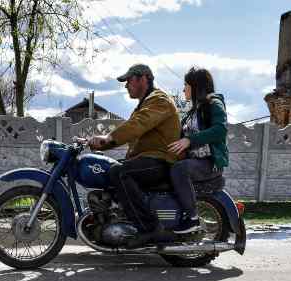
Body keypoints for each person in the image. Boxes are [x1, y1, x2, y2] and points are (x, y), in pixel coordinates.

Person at [88, 64, 180, 236]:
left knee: (120, 173)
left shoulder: (159, 100)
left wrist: (108, 138)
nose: (126, 85)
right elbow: (129, 132)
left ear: (143, 79)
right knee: (110, 170)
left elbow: (137, 125)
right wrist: (97, 143)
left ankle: (149, 229)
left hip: (160, 160)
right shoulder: (145, 104)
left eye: (129, 80)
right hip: (147, 159)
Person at [168, 67, 229, 234]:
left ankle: (193, 218)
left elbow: (220, 130)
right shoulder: (192, 112)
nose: (183, 89)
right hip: (195, 161)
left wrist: (190, 140)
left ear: (196, 87)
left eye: (186, 85)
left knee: (179, 169)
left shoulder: (213, 104)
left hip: (208, 163)